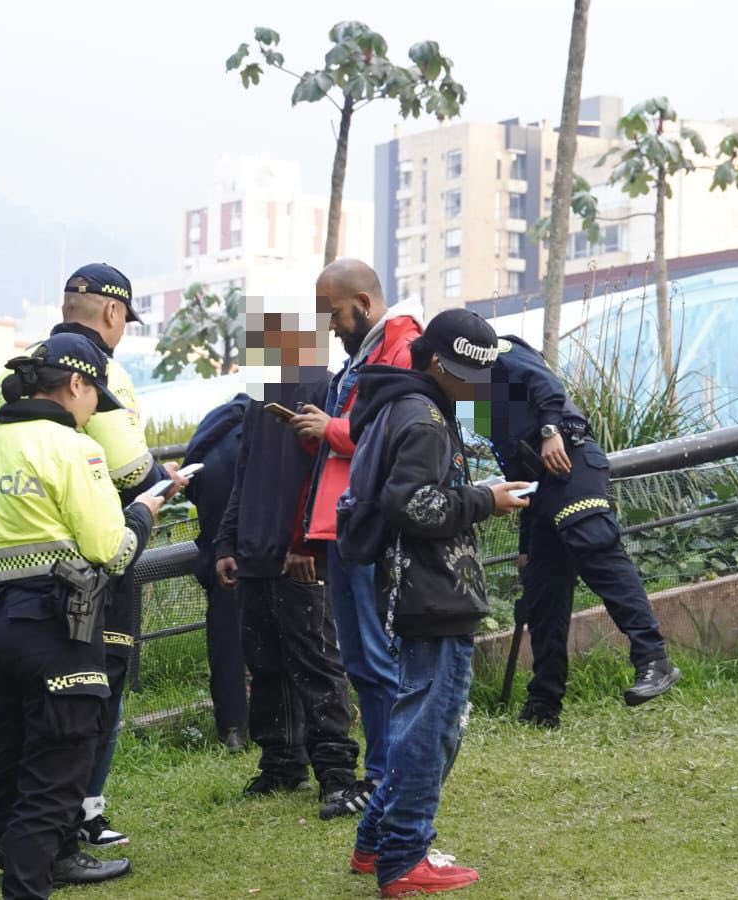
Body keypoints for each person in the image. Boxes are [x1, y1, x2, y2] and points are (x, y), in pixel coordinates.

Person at [0, 333, 163, 900]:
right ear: (76, 384)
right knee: (50, 792)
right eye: (93, 400)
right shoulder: (75, 449)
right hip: (61, 633)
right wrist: (144, 513)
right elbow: (112, 550)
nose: (92, 413)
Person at [344, 309, 531, 896]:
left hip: (410, 586)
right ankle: (404, 859)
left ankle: (376, 843)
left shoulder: (398, 405)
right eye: (462, 375)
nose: (473, 387)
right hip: (431, 590)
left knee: (416, 720)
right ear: (430, 361)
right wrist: (485, 500)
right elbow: (413, 504)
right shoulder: (423, 418)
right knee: (433, 727)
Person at [10, 263, 184, 863]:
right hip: (98, 556)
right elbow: (130, 470)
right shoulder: (92, 369)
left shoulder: (33, 361)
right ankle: (76, 820)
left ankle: (33, 824)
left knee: (38, 705)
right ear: (114, 314)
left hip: (27, 571)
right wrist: (168, 485)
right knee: (96, 689)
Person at [477, 324, 680, 728]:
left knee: (596, 547)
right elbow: (510, 454)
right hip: (539, 487)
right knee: (542, 595)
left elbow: (545, 382)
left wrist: (551, 430)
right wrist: (525, 536)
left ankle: (653, 659)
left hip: (570, 459)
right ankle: (543, 705)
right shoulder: (463, 394)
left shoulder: (493, 348)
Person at [214, 318, 368, 818]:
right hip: (255, 554)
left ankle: (338, 775)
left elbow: (329, 469)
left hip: (299, 555)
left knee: (317, 664)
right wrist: (226, 541)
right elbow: (246, 470)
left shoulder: (325, 388)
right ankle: (281, 762)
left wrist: (305, 541)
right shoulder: (261, 399)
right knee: (264, 663)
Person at [292, 257, 424, 799]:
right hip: (341, 526)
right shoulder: (365, 354)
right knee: (359, 657)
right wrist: (318, 430)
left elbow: (391, 434)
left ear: (364, 304)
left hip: (370, 524)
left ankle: (391, 771)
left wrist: (332, 428)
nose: (328, 327)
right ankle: (382, 771)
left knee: (375, 654)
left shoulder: (404, 347)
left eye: (334, 314)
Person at [183, 393, 252, 752]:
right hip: (257, 545)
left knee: (225, 637)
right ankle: (282, 723)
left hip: (216, 547)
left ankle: (232, 729)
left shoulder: (212, 428)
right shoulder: (266, 427)